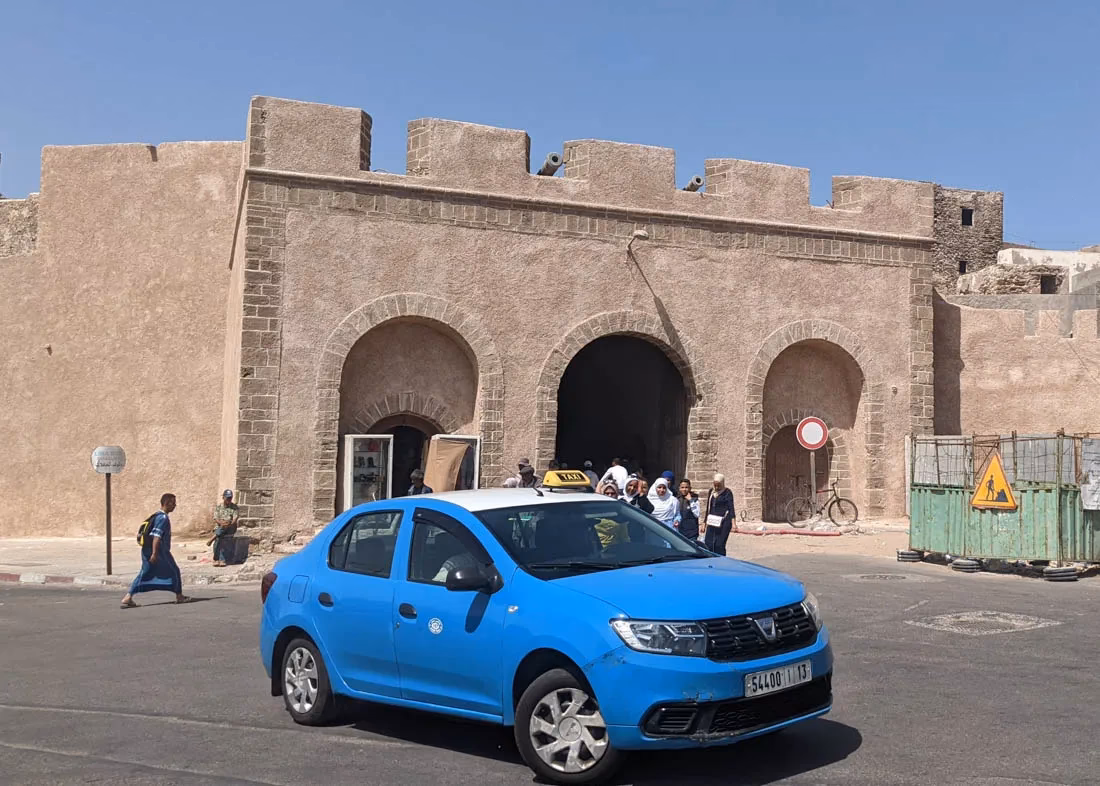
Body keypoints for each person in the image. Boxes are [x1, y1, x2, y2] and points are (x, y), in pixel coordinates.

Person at [120, 493, 190, 608]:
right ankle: (179, 596)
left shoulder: (157, 515)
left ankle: (129, 596)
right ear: (167, 503)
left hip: (149, 550)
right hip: (159, 551)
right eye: (173, 502)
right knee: (174, 570)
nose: (175, 505)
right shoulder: (162, 518)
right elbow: (156, 536)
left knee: (146, 572)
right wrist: (154, 553)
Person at [703, 473, 736, 556]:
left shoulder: (727, 492)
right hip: (712, 521)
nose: (717, 488)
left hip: (724, 522)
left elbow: (731, 508)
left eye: (719, 486)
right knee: (708, 543)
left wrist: (734, 523)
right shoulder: (711, 492)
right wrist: (704, 523)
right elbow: (708, 507)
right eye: (715, 485)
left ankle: (721, 561)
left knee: (719, 545)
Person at [208, 489, 239, 567]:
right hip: (220, 526)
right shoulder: (218, 507)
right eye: (227, 498)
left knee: (222, 531)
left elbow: (235, 518)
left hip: (231, 527)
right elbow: (216, 518)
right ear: (223, 498)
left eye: (230, 498)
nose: (229, 500)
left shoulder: (234, 507)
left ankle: (213, 538)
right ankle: (218, 559)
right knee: (220, 538)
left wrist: (228, 523)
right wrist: (222, 523)